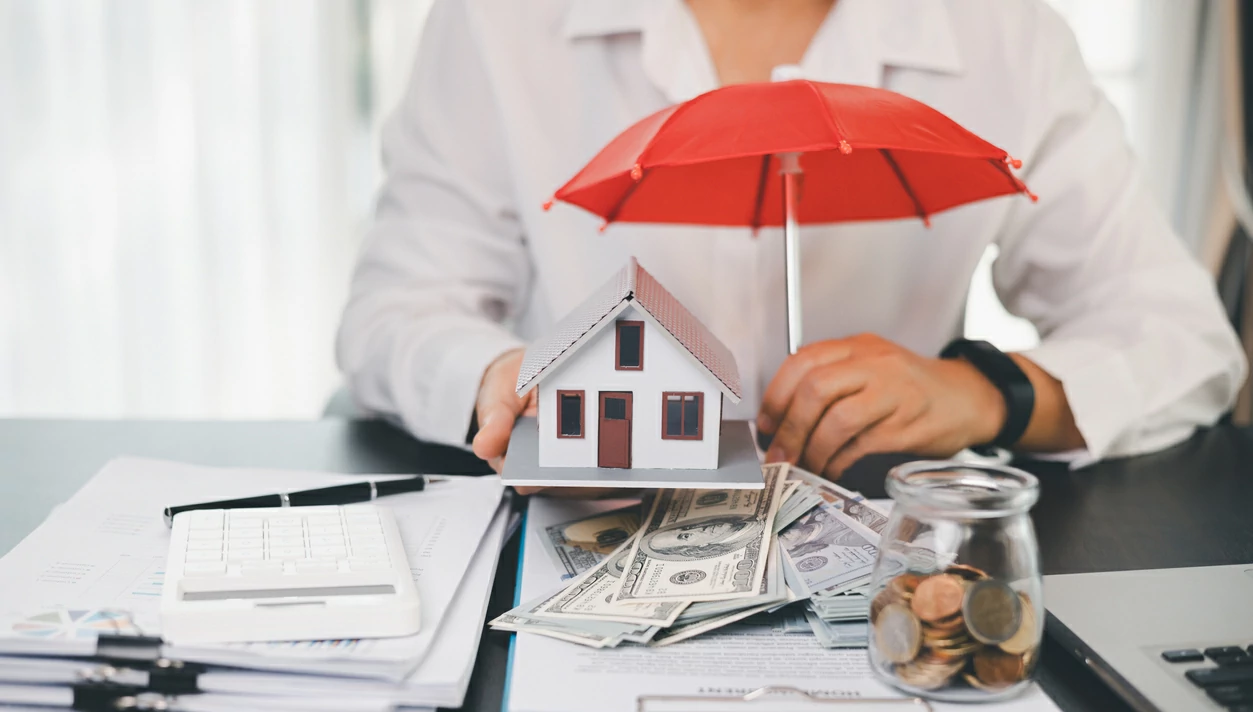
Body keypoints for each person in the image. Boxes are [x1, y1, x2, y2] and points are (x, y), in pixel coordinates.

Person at [336, 0, 1247, 480]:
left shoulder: (1006, 33)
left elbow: (1178, 334)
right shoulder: (497, 21)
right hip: (574, 525)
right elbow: (394, 314)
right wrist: (500, 379)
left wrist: (985, 392)